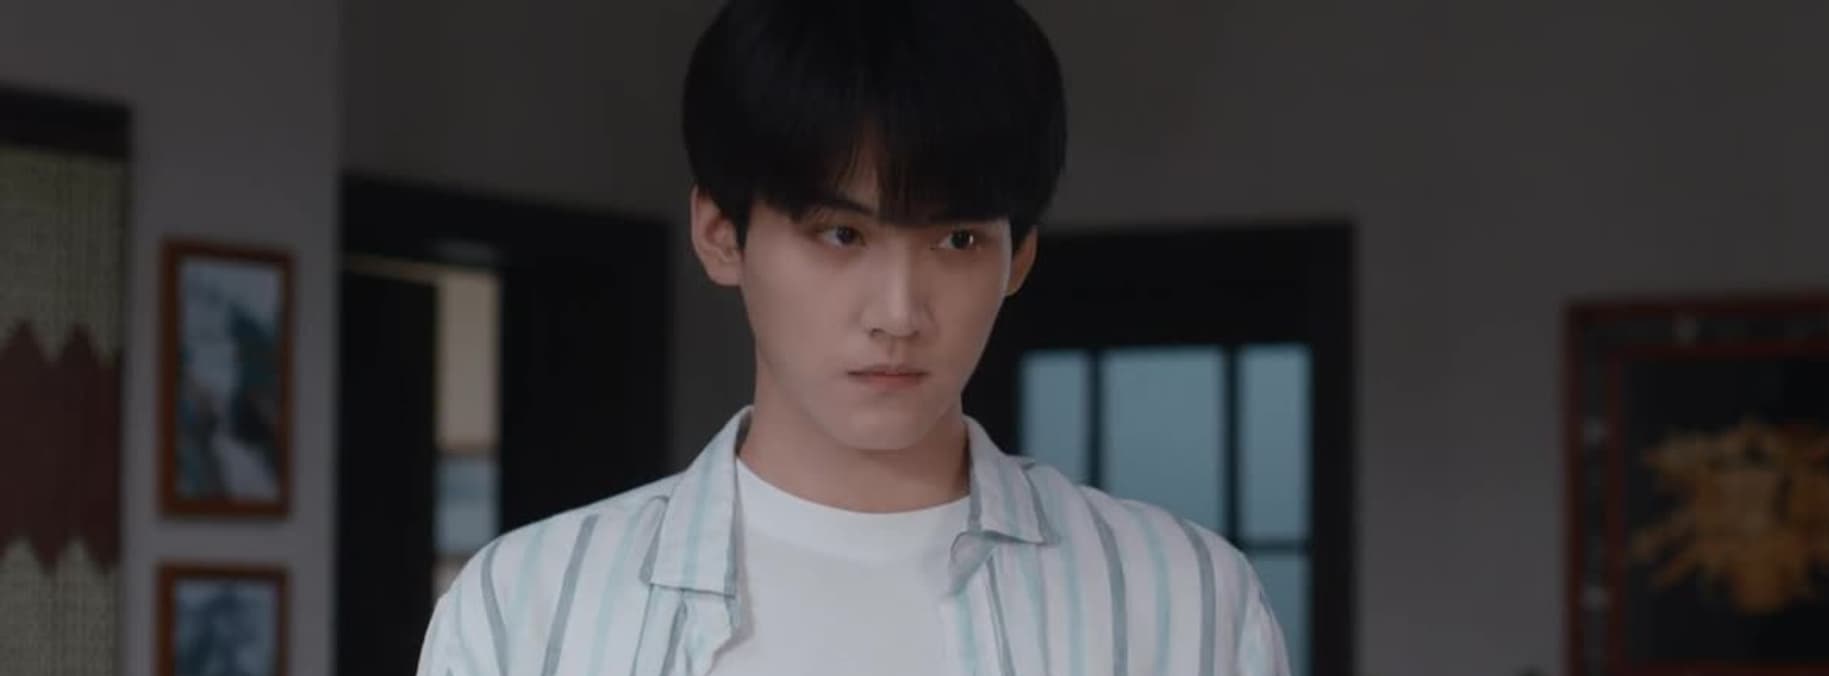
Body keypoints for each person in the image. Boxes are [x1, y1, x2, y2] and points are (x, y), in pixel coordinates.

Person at [414, 0, 1293, 674]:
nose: (899, 313)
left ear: (1019, 256)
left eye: (957, 240)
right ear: (721, 235)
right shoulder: (530, 609)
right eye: (842, 235)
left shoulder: (1182, 602)